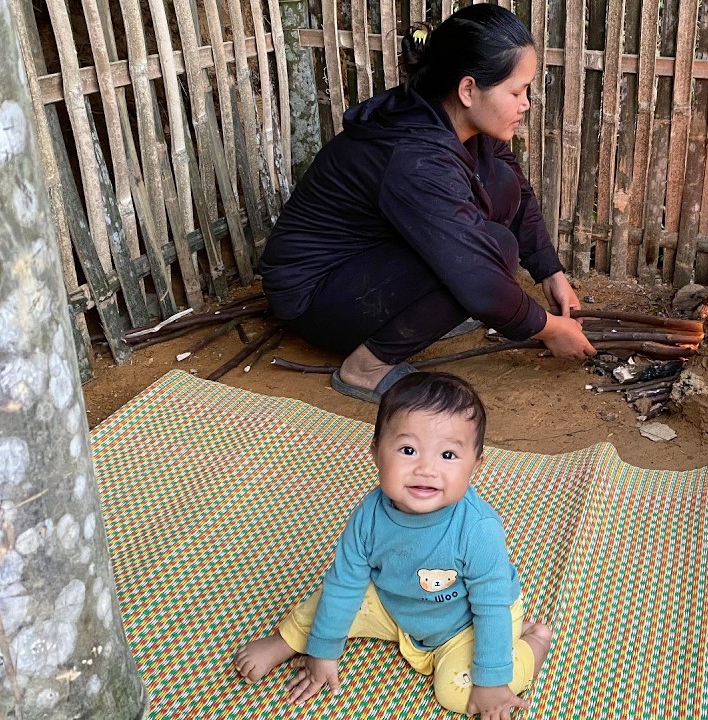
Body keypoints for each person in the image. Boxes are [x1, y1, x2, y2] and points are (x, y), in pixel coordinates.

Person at [257, 4, 595, 403]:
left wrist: (550, 273)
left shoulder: (454, 118)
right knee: (492, 252)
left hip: (368, 265)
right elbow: (479, 276)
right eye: (516, 92)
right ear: (468, 89)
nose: (526, 104)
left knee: (501, 187)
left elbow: (516, 193)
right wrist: (549, 329)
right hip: (314, 297)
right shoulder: (415, 158)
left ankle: (424, 314)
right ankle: (365, 368)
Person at [234, 372, 553, 718]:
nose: (426, 469)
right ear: (375, 453)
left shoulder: (478, 529)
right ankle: (286, 642)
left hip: (466, 624)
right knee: (329, 599)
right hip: (395, 606)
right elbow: (345, 583)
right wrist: (322, 651)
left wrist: (492, 682)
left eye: (448, 455)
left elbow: (490, 606)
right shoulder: (369, 516)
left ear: (475, 466)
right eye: (408, 450)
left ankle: (533, 642)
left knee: (458, 692)